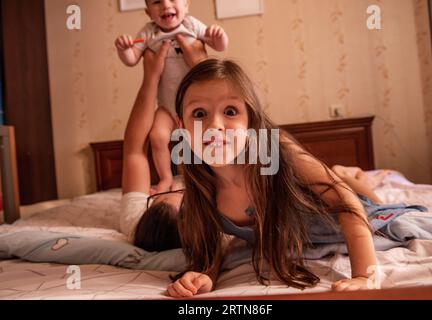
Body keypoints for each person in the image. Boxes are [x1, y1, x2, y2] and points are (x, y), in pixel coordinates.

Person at [164, 58, 384, 298]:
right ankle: (342, 173)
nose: (214, 125)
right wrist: (205, 275)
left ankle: (345, 174)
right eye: (199, 113)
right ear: (181, 126)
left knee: (367, 199)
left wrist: (365, 275)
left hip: (349, 215)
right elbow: (211, 243)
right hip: (302, 232)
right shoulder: (198, 183)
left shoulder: (277, 152)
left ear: (251, 118)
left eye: (230, 111)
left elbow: (347, 203)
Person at [115, 0, 229, 194]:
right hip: (167, 108)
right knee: (156, 136)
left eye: (173, 0)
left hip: (193, 107)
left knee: (203, 139)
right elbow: (132, 59)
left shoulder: (192, 25)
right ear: (148, 12)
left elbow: (219, 46)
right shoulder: (148, 33)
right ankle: (166, 178)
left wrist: (219, 36)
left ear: (186, 5)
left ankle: (207, 177)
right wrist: (124, 49)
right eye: (157, 2)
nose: (165, 5)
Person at [120, 37, 206, 253]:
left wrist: (151, 77)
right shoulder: (218, 214)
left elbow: (135, 151)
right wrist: (200, 68)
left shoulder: (135, 220)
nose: (177, 188)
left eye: (157, 196)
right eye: (184, 196)